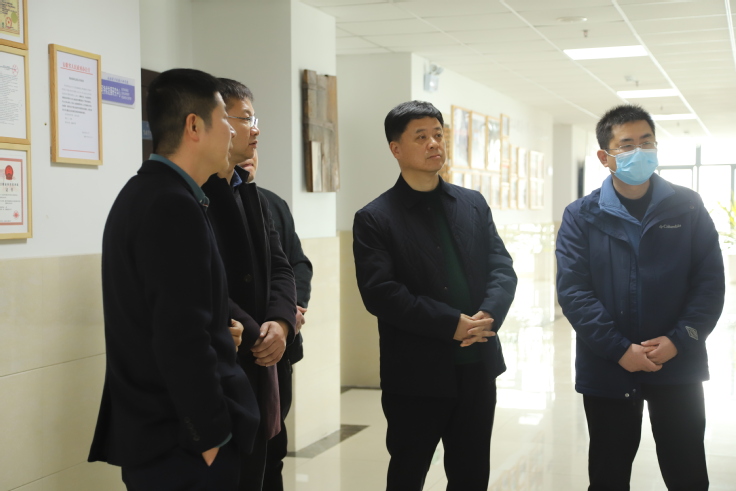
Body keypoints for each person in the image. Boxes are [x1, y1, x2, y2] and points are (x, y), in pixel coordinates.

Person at [88, 68, 260, 491]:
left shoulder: (147, 193)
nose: (233, 132)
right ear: (194, 126)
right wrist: (210, 436)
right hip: (182, 444)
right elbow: (179, 335)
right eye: (224, 120)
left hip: (165, 436)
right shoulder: (171, 205)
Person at [555, 104, 725, 491]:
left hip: (677, 363)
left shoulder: (688, 206)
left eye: (646, 142)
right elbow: (574, 291)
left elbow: (710, 283)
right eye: (627, 145)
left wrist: (680, 340)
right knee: (609, 473)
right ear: (605, 157)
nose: (640, 152)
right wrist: (619, 349)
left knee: (687, 472)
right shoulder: (581, 215)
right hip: (609, 367)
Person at [352, 100, 517, 491]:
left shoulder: (472, 204)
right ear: (396, 148)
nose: (434, 144)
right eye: (421, 137)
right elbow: (381, 293)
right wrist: (450, 324)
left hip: (477, 368)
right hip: (416, 375)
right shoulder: (375, 217)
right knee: (408, 474)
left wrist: (489, 314)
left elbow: (501, 267)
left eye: (438, 134)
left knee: (471, 474)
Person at [202, 78, 297, 491]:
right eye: (244, 119)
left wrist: (281, 323)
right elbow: (207, 284)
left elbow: (281, 266)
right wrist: (262, 333)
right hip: (230, 362)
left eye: (254, 119)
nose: (255, 129)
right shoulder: (194, 194)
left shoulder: (249, 191)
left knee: (261, 470)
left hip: (263, 357)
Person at [239, 148, 314, 491]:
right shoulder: (206, 203)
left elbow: (296, 264)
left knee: (274, 448)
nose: (250, 152)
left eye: (255, 146)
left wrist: (290, 310)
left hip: (280, 347)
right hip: (246, 347)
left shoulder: (271, 202)